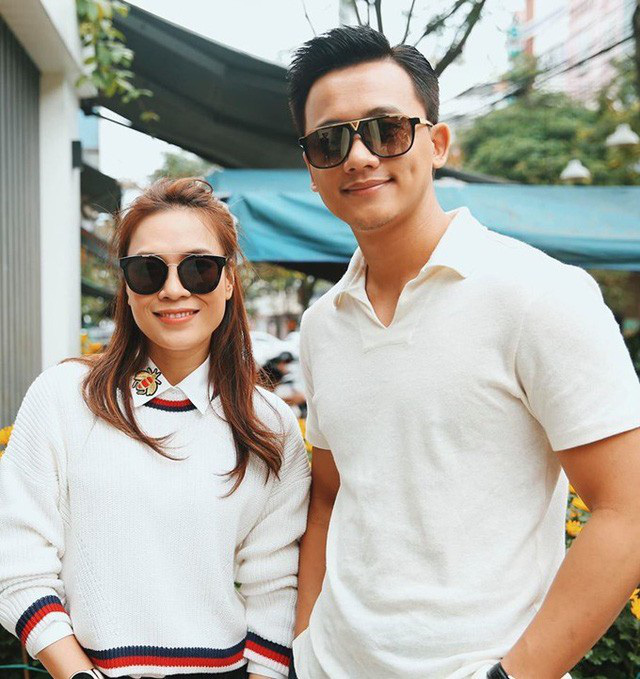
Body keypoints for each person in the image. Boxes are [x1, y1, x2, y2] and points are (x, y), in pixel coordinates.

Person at [286, 26, 640, 679]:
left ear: (438, 143)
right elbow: (331, 496)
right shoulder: (321, 326)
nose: (359, 156)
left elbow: (629, 510)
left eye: (386, 130)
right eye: (330, 141)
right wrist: (304, 644)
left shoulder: (539, 294)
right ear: (312, 168)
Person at [0, 178, 310, 679]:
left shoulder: (267, 423)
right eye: (147, 269)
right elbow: (15, 561)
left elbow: (274, 586)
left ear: (229, 281)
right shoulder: (64, 398)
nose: (173, 288)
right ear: (127, 285)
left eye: (199, 268)